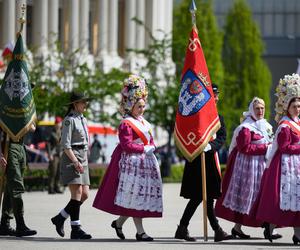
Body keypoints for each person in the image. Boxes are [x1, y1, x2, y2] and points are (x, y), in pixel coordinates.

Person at [93, 74, 163, 241]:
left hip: (144, 163)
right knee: (135, 196)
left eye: (143, 106)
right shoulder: (126, 123)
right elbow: (126, 145)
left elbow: (150, 139)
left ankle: (118, 223)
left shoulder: (143, 122)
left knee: (134, 198)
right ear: (131, 106)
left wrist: (152, 146)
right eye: (139, 106)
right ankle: (140, 232)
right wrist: (144, 148)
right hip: (130, 164)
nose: (142, 109)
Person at [215, 97, 281, 240]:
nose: (260, 111)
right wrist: (265, 148)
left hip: (263, 165)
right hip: (248, 168)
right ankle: (238, 228)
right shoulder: (245, 128)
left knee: (265, 196)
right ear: (252, 109)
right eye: (257, 108)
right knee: (247, 198)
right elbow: (244, 148)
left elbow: (272, 141)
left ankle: (269, 227)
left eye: (262, 108)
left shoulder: (267, 125)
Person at [174, 83, 231, 242]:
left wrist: (210, 146)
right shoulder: (196, 116)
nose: (216, 98)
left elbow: (222, 138)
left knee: (207, 197)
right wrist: (198, 146)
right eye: (213, 96)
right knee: (200, 196)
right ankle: (214, 230)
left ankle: (186, 228)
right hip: (197, 160)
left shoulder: (219, 117)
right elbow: (188, 134)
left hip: (210, 159)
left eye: (217, 95)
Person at [251, 74, 300, 244]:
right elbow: (285, 147)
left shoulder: (297, 123)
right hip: (285, 165)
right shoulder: (284, 125)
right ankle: (270, 227)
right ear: (287, 108)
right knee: (284, 199)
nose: (297, 109)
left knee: (297, 200)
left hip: (296, 166)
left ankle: (297, 234)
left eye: (299, 106)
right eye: (294, 106)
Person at [51, 91, 92, 240]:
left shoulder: (83, 119)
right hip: (72, 156)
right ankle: (76, 228)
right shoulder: (69, 120)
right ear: (75, 104)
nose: (85, 104)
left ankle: (60, 217)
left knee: (85, 194)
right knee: (77, 194)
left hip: (83, 156)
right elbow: (65, 144)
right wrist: (75, 161)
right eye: (83, 102)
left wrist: (85, 157)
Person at [0, 124, 37, 237]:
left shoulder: (22, 108)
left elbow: (33, 128)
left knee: (9, 188)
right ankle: (20, 225)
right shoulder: (4, 109)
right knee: (16, 187)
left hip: (21, 146)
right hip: (8, 147)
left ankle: (4, 224)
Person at [46, 116, 63, 194]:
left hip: (60, 154)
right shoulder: (51, 132)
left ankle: (57, 187)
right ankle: (51, 188)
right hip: (54, 154)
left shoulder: (62, 132)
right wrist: (49, 154)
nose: (58, 124)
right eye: (57, 123)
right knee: (53, 172)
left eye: (59, 123)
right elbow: (48, 144)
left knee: (59, 172)